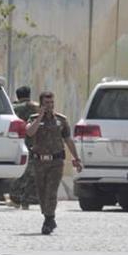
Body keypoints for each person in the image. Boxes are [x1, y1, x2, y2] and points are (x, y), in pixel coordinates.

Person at [25, 91, 82, 235]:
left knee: (51, 191)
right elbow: (30, 132)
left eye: (51, 103)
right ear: (41, 104)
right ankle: (48, 216)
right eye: (46, 103)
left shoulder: (61, 120)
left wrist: (76, 158)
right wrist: (40, 117)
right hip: (39, 162)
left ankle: (49, 220)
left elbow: (68, 140)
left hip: (56, 161)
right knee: (42, 192)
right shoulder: (33, 119)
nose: (49, 106)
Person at [9, 86, 41, 209]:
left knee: (20, 169)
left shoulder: (14, 108)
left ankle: (16, 197)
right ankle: (28, 198)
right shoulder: (37, 107)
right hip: (34, 142)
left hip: (19, 141)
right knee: (32, 171)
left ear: (18, 96)